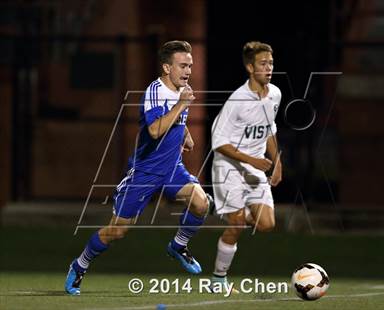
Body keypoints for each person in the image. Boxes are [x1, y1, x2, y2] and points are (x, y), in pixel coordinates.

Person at [65, 40, 210, 295]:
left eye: (190, 65)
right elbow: (154, 131)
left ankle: (178, 246)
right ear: (167, 68)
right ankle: (80, 265)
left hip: (171, 169)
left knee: (201, 202)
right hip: (144, 173)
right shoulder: (154, 92)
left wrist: (185, 133)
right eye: (183, 66)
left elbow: (176, 118)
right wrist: (181, 106)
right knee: (117, 230)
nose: (188, 71)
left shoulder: (182, 90)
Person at [210, 41, 282, 292]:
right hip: (228, 167)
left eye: (271, 63)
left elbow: (270, 129)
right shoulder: (238, 100)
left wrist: (278, 163)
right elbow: (218, 143)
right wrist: (253, 161)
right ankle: (218, 280)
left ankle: (229, 213)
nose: (269, 68)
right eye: (263, 63)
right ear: (250, 67)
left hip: (254, 168)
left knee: (267, 224)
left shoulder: (275, 94)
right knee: (238, 224)